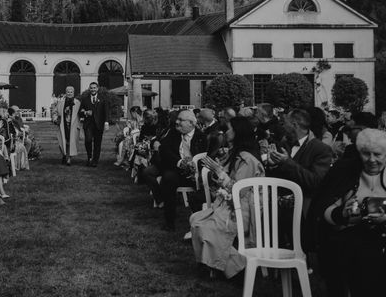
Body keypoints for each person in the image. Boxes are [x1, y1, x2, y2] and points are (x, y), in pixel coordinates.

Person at [307, 129, 386, 297]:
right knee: (355, 252)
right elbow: (323, 209)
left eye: (377, 154)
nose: (372, 160)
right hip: (347, 236)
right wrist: (341, 213)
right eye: (366, 154)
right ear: (359, 153)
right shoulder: (345, 171)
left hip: (380, 238)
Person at [190, 117, 265, 278]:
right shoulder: (236, 154)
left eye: (229, 129)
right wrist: (219, 170)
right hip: (228, 205)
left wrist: (219, 172)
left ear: (238, 132)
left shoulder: (248, 159)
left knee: (204, 227)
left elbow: (239, 190)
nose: (226, 132)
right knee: (196, 220)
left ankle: (235, 268)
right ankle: (226, 265)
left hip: (242, 210)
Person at [142, 110, 207, 230]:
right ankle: (169, 222)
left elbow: (204, 157)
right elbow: (165, 150)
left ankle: (201, 223)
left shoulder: (201, 137)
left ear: (191, 123)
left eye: (181, 120)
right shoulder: (173, 133)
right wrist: (179, 163)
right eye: (177, 119)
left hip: (194, 172)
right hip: (176, 169)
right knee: (168, 178)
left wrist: (194, 167)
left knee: (204, 187)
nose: (177, 122)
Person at [266, 108, 333, 215]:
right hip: (278, 210)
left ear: (294, 125)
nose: (283, 127)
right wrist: (272, 165)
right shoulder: (284, 144)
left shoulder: (321, 149)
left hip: (303, 211)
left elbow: (315, 182)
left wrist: (287, 162)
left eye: (285, 124)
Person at [78, 82, 109, 167]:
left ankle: (95, 160)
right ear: (89, 89)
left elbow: (106, 112)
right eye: (91, 88)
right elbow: (80, 112)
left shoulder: (103, 98)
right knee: (88, 140)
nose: (93, 89)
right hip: (88, 124)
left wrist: (106, 122)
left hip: (99, 124)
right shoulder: (85, 99)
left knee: (97, 143)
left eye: (94, 88)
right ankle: (89, 157)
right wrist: (85, 112)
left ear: (97, 88)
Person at [51, 86, 81, 166]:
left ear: (73, 93)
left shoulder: (78, 102)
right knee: (63, 142)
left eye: (71, 92)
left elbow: (81, 113)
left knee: (71, 142)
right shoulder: (60, 102)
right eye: (68, 92)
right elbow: (55, 112)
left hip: (73, 126)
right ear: (66, 93)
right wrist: (55, 119)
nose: (69, 93)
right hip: (63, 125)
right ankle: (64, 155)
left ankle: (69, 159)